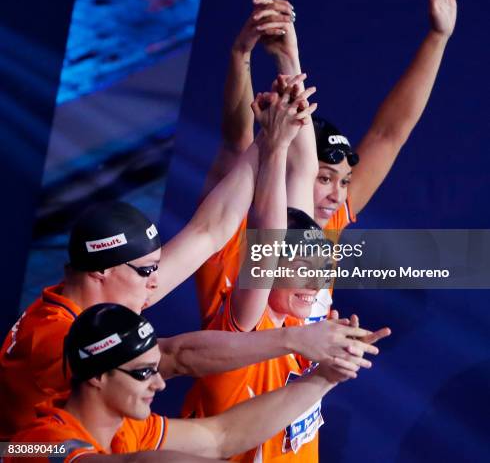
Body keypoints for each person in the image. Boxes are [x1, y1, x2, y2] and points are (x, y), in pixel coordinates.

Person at [0, 86, 373, 439]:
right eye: (146, 270)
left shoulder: (103, 301)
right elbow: (177, 356)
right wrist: (296, 339)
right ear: (101, 271)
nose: (155, 280)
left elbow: (209, 231)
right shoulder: (54, 338)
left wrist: (269, 137)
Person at [195, 0, 463, 324]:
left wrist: (438, 37)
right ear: (295, 170)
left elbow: (389, 135)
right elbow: (235, 140)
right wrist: (242, 54)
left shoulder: (327, 226)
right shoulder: (235, 223)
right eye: (323, 178)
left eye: (344, 182)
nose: (338, 196)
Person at [5, 303, 379, 463]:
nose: (159, 385)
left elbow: (220, 438)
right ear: (98, 376)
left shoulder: (134, 429)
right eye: (142, 373)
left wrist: (324, 379)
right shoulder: (36, 443)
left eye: (156, 368)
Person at [183, 208, 391, 462]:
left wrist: (330, 370)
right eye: (303, 268)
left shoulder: (299, 325)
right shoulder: (244, 328)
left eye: (323, 269)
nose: (316, 284)